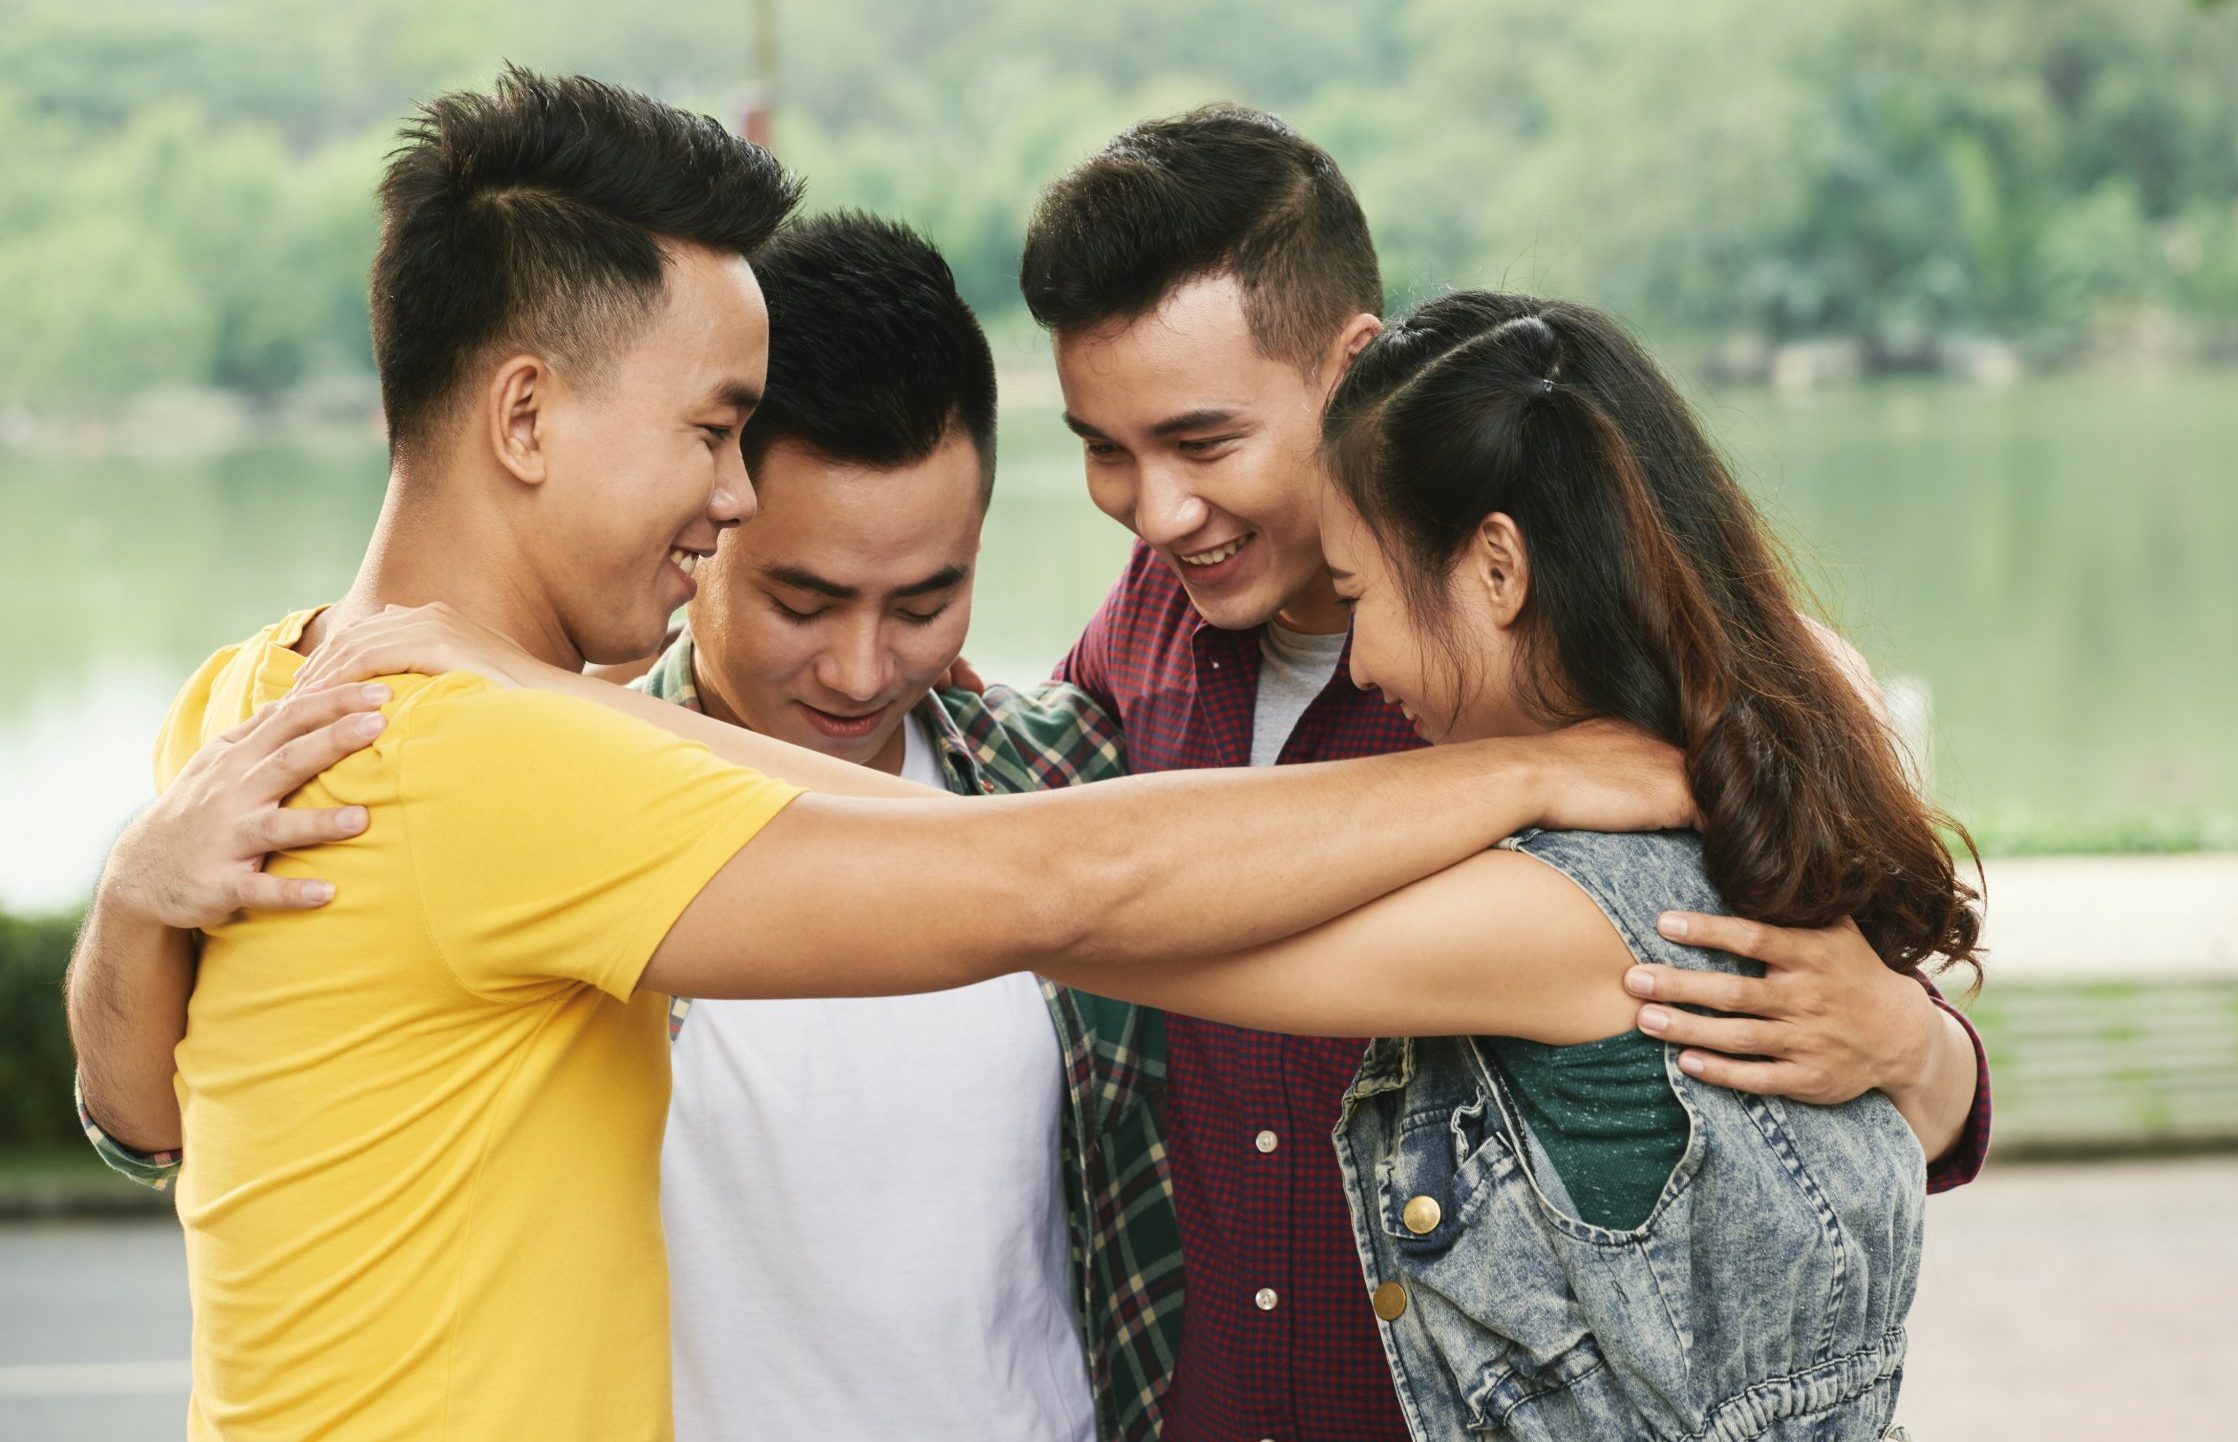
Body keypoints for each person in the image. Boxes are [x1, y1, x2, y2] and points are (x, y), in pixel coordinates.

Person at [60, 70, 1685, 1442]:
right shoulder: (477, 755)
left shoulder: (265, 693)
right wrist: (1523, 779)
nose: (726, 494)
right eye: (710, 428)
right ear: (529, 418)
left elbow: (142, 1105)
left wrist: (131, 904)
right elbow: (1059, 873)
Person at [79, 210, 1181, 1440]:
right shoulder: (540, 793)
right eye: (802, 599)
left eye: (924, 600)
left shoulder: (1069, 771)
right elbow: (159, 1131)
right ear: (707, 528)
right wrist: (131, 893)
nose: (864, 668)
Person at [1018, 103, 1994, 1436]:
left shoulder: (1632, 712)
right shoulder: (1143, 626)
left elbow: (1834, 1133)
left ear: (1350, 364)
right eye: (1101, 450)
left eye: (1200, 445)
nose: (1156, 510)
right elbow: (1022, 811)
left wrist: (1916, 1048)